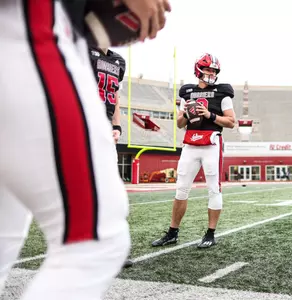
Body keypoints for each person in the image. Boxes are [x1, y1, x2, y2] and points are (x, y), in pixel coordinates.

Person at [0, 0, 169, 298]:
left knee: (4, 235)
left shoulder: (116, 61)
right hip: (25, 29)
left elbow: (113, 95)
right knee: (96, 240)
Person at [151, 53, 236, 249]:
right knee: (181, 188)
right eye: (208, 69)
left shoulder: (222, 92)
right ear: (199, 70)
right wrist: (187, 114)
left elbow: (231, 122)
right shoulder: (187, 91)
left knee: (214, 188)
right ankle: (172, 232)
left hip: (211, 144)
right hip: (190, 143)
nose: (211, 73)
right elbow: (180, 123)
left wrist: (209, 114)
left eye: (214, 70)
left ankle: (210, 233)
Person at [88, 45, 134, 268]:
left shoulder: (118, 61)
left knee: (111, 188)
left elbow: (113, 94)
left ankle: (112, 247)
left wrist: (117, 125)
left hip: (105, 125)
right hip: (83, 120)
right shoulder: (82, 48)